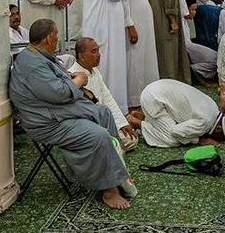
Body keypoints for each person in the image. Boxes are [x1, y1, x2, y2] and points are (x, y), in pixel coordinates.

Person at [9, 20, 135, 209]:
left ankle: (117, 172)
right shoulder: (32, 63)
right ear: (49, 38)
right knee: (98, 135)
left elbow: (56, 83)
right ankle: (110, 190)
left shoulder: (39, 56)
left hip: (56, 112)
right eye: (56, 34)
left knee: (104, 113)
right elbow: (58, 93)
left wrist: (71, 80)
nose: (58, 38)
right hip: (46, 122)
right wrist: (79, 80)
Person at [81, 0, 133, 113]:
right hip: (101, 31)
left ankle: (118, 108)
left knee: (116, 68)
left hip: (113, 31)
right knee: (105, 68)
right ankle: (104, 109)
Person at [69, 38, 139, 151]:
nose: (98, 55)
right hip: (88, 126)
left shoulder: (95, 71)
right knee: (112, 143)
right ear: (81, 56)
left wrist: (122, 124)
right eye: (93, 52)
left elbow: (108, 98)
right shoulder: (73, 76)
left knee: (131, 140)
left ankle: (109, 149)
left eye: (98, 51)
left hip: (104, 121)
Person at [127, 79, 225, 148]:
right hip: (154, 99)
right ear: (218, 129)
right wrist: (199, 140)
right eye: (221, 137)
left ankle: (145, 116)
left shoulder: (213, 107)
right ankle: (136, 121)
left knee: (177, 124)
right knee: (172, 139)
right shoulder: (205, 122)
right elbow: (176, 131)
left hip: (156, 89)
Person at [146, 0, 191, 83]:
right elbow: (169, 0)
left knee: (161, 51)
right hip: (166, 21)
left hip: (156, 19)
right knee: (170, 51)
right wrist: (173, 21)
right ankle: (173, 81)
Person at [123, 0, 160, 108]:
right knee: (135, 61)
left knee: (146, 59)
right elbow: (125, 4)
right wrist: (130, 25)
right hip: (135, 26)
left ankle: (147, 94)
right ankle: (134, 100)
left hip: (143, 27)